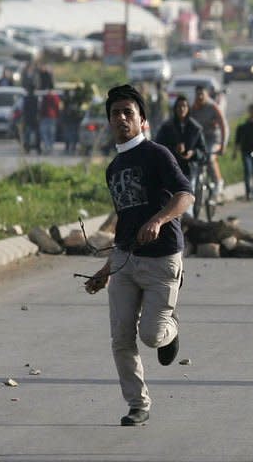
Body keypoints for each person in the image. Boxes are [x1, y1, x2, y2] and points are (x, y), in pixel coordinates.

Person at [84, 84, 194, 426]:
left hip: (162, 259)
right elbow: (126, 221)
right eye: (115, 113)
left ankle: (170, 329)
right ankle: (137, 405)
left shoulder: (157, 154)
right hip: (125, 261)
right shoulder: (113, 166)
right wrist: (106, 269)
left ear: (142, 119)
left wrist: (159, 219)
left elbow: (185, 195)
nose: (121, 118)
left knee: (151, 335)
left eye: (127, 112)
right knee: (120, 338)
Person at [154, 95, 207, 210]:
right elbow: (157, 147)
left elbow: (203, 153)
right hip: (170, 169)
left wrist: (193, 153)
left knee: (186, 199)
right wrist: (174, 149)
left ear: (188, 108)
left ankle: (189, 220)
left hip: (189, 169)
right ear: (175, 109)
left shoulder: (196, 129)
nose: (182, 109)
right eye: (179, 106)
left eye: (184, 106)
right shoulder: (167, 127)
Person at [191, 85, 227, 201]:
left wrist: (222, 145)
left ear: (206, 95)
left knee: (210, 157)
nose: (200, 97)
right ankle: (196, 185)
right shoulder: (193, 108)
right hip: (201, 137)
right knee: (195, 159)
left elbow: (223, 126)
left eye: (202, 94)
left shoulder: (213, 107)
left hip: (215, 137)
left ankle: (218, 182)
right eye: (198, 94)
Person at [233, 103, 253, 201]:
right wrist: (235, 152)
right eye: (252, 110)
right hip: (246, 151)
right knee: (248, 171)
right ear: (249, 111)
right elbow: (237, 140)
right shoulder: (243, 126)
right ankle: (248, 193)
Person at [39, 86, 61, 155]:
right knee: (51, 133)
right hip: (52, 117)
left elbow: (42, 107)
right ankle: (49, 146)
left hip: (46, 117)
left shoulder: (45, 98)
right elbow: (58, 108)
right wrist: (58, 116)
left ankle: (48, 146)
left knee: (45, 133)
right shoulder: (56, 98)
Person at [21, 85, 40, 154]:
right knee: (36, 134)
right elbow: (38, 109)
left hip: (28, 119)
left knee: (27, 135)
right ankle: (37, 148)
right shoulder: (36, 98)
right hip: (34, 119)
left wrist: (24, 118)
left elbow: (24, 110)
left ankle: (27, 148)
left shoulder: (26, 99)